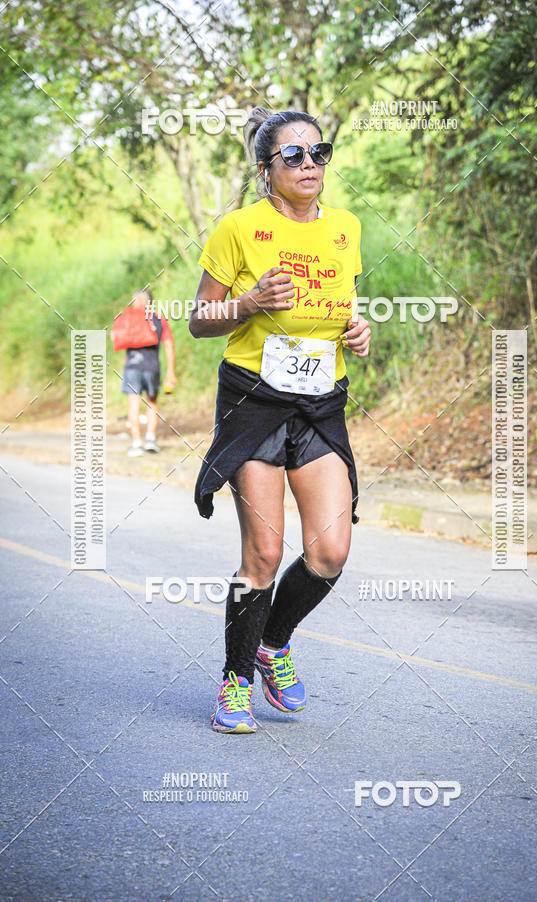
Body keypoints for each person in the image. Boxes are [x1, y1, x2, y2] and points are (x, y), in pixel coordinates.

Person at [189, 108, 371, 733]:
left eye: (319, 152)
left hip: (319, 401)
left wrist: (357, 329)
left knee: (330, 550)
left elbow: (342, 308)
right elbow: (200, 318)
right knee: (263, 553)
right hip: (256, 400)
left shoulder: (345, 228)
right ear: (266, 170)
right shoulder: (239, 228)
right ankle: (235, 681)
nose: (309, 164)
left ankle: (272, 643)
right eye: (293, 155)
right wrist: (248, 302)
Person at [121, 289, 176, 457]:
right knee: (152, 403)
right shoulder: (159, 320)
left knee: (134, 405)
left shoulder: (129, 319)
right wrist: (170, 371)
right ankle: (150, 439)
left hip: (132, 367)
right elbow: (169, 345)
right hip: (152, 367)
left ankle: (137, 444)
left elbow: (121, 340)